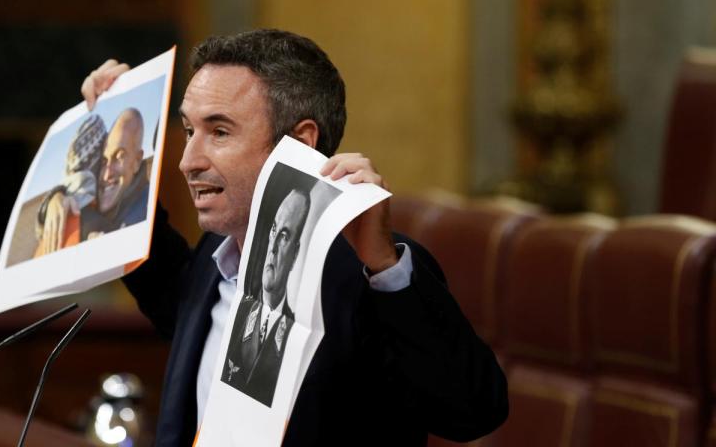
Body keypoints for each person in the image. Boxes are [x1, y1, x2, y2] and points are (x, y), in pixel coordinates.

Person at [82, 29, 508, 446]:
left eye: (220, 132)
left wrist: (385, 269)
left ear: (300, 142)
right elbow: (170, 294)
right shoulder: (218, 251)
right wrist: (113, 137)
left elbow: (472, 410)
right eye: (190, 131)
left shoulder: (372, 274)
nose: (187, 162)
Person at [222, 186, 309, 406]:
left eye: (285, 236)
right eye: (273, 230)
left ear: (296, 252)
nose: (273, 249)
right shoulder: (237, 309)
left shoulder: (300, 328)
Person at [40, 108, 151, 253]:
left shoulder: (146, 215)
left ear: (137, 161)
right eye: (103, 162)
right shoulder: (76, 209)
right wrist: (55, 196)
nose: (106, 174)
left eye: (119, 157)